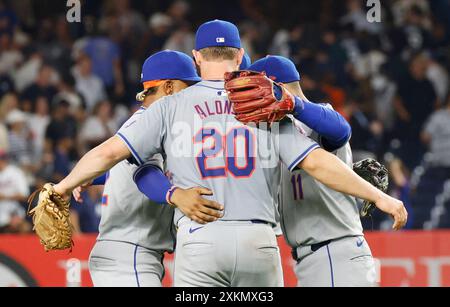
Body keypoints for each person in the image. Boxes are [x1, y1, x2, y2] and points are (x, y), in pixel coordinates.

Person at [48, 20, 406, 287]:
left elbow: (110, 152)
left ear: (196, 57)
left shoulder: (170, 106)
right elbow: (316, 161)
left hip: (199, 238)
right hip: (258, 241)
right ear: (238, 56)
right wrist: (380, 197)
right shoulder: (264, 108)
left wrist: (63, 186)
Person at [72, 50, 222, 287]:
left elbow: (127, 166)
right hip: (131, 255)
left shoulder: (141, 124)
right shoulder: (150, 123)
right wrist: (174, 194)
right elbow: (145, 172)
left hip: (124, 253)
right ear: (169, 87)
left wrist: (96, 177)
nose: (195, 94)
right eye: (189, 86)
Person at [249, 55, 377, 287]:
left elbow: (340, 130)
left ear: (274, 88)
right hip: (317, 257)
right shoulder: (275, 131)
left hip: (334, 252)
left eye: (253, 88)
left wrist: (293, 104)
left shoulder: (316, 118)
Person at [0, 150, 30, 233]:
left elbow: (24, 195)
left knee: (25, 227)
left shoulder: (15, 173)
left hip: (13, 208)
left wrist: (5, 196)